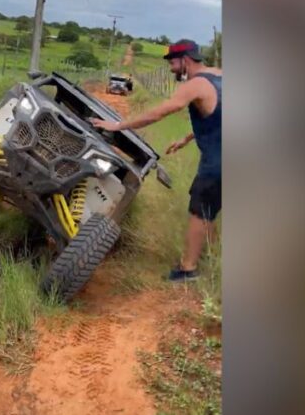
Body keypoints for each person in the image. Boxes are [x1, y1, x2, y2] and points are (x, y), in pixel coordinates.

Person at [90, 38, 221, 281]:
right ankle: (212, 257)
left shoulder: (195, 84)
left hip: (218, 163)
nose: (171, 68)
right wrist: (187, 138)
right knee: (208, 209)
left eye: (173, 62)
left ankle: (187, 269)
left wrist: (118, 125)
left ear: (186, 60)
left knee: (199, 210)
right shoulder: (219, 76)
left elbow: (160, 112)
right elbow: (219, 115)